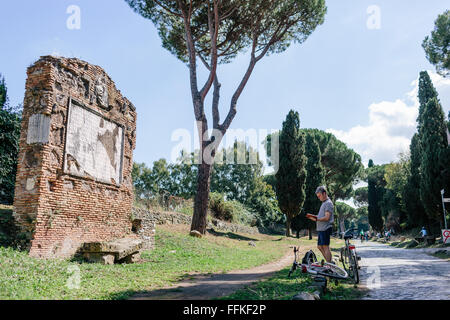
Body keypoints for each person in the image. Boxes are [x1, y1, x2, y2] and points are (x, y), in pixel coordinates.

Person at [306, 186, 334, 263]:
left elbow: (327, 217)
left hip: (325, 228)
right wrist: (315, 217)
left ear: (324, 193)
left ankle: (330, 265)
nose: (319, 198)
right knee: (319, 246)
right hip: (321, 228)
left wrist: (317, 219)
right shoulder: (324, 203)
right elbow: (322, 216)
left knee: (325, 247)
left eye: (319, 196)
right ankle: (330, 263)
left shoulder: (328, 203)